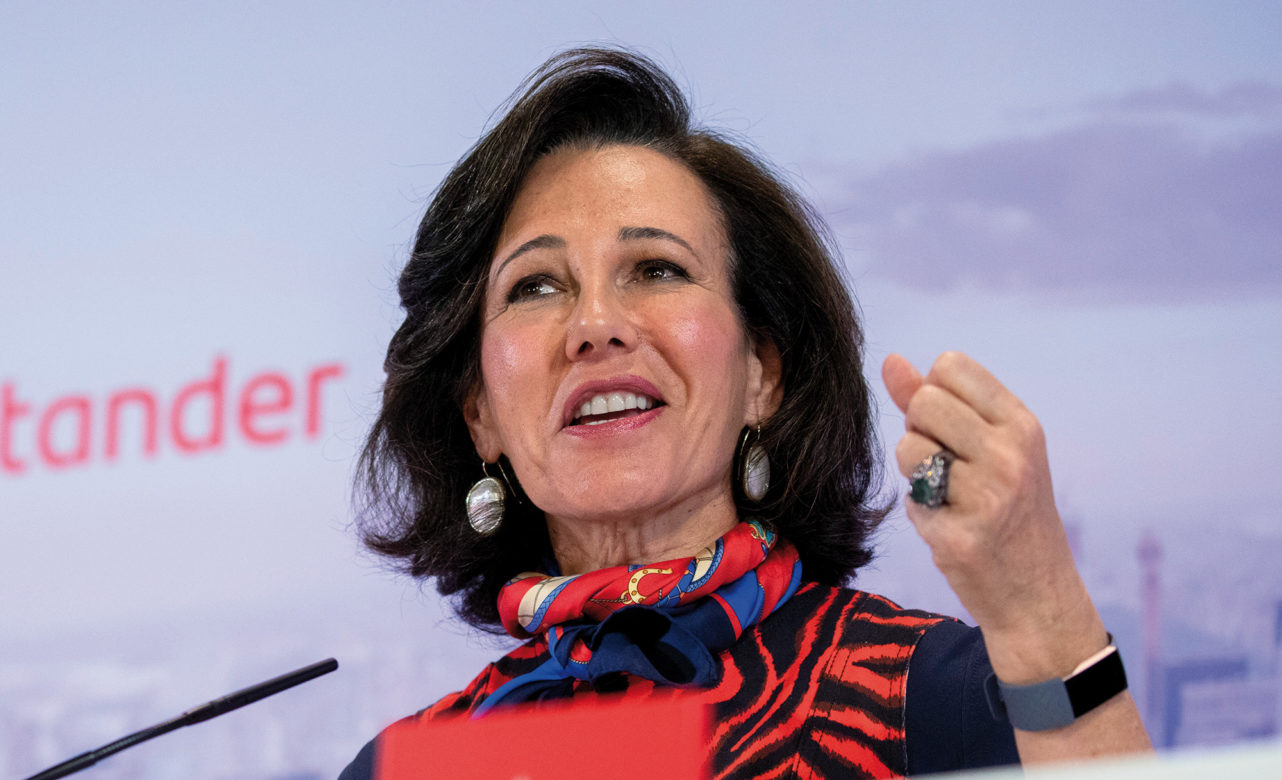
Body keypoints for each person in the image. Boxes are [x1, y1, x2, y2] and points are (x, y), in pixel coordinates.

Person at [341, 47, 1151, 778]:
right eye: (536, 286)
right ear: (479, 414)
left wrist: (1044, 614)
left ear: (762, 372)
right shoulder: (403, 768)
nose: (595, 325)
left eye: (656, 268)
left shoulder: (922, 700)